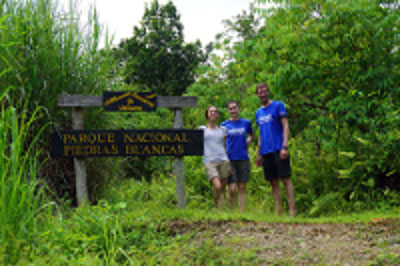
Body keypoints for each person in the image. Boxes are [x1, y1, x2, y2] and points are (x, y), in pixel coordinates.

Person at [255, 82, 296, 216]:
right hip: (266, 151)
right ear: (257, 95)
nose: (262, 94)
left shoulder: (278, 105)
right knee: (273, 182)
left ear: (268, 92)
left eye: (264, 91)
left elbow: (285, 126)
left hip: (279, 148)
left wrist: (285, 146)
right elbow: (260, 133)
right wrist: (259, 153)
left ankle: (292, 211)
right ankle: (279, 211)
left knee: (285, 179)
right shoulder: (258, 112)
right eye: (259, 92)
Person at [221, 101, 253, 211]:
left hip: (243, 158)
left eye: (235, 108)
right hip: (230, 159)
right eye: (230, 109)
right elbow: (221, 142)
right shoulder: (224, 125)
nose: (233, 110)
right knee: (232, 189)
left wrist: (247, 142)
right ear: (228, 111)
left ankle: (241, 212)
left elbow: (252, 135)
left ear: (238, 109)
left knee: (242, 187)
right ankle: (231, 210)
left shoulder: (246, 123)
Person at [199, 106, 231, 210]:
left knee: (222, 188)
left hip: (223, 159)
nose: (213, 113)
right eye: (211, 111)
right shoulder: (202, 129)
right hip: (209, 161)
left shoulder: (223, 130)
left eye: (215, 112)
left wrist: (228, 162)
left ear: (217, 115)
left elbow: (224, 146)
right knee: (217, 186)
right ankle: (215, 205)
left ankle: (220, 211)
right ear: (207, 114)